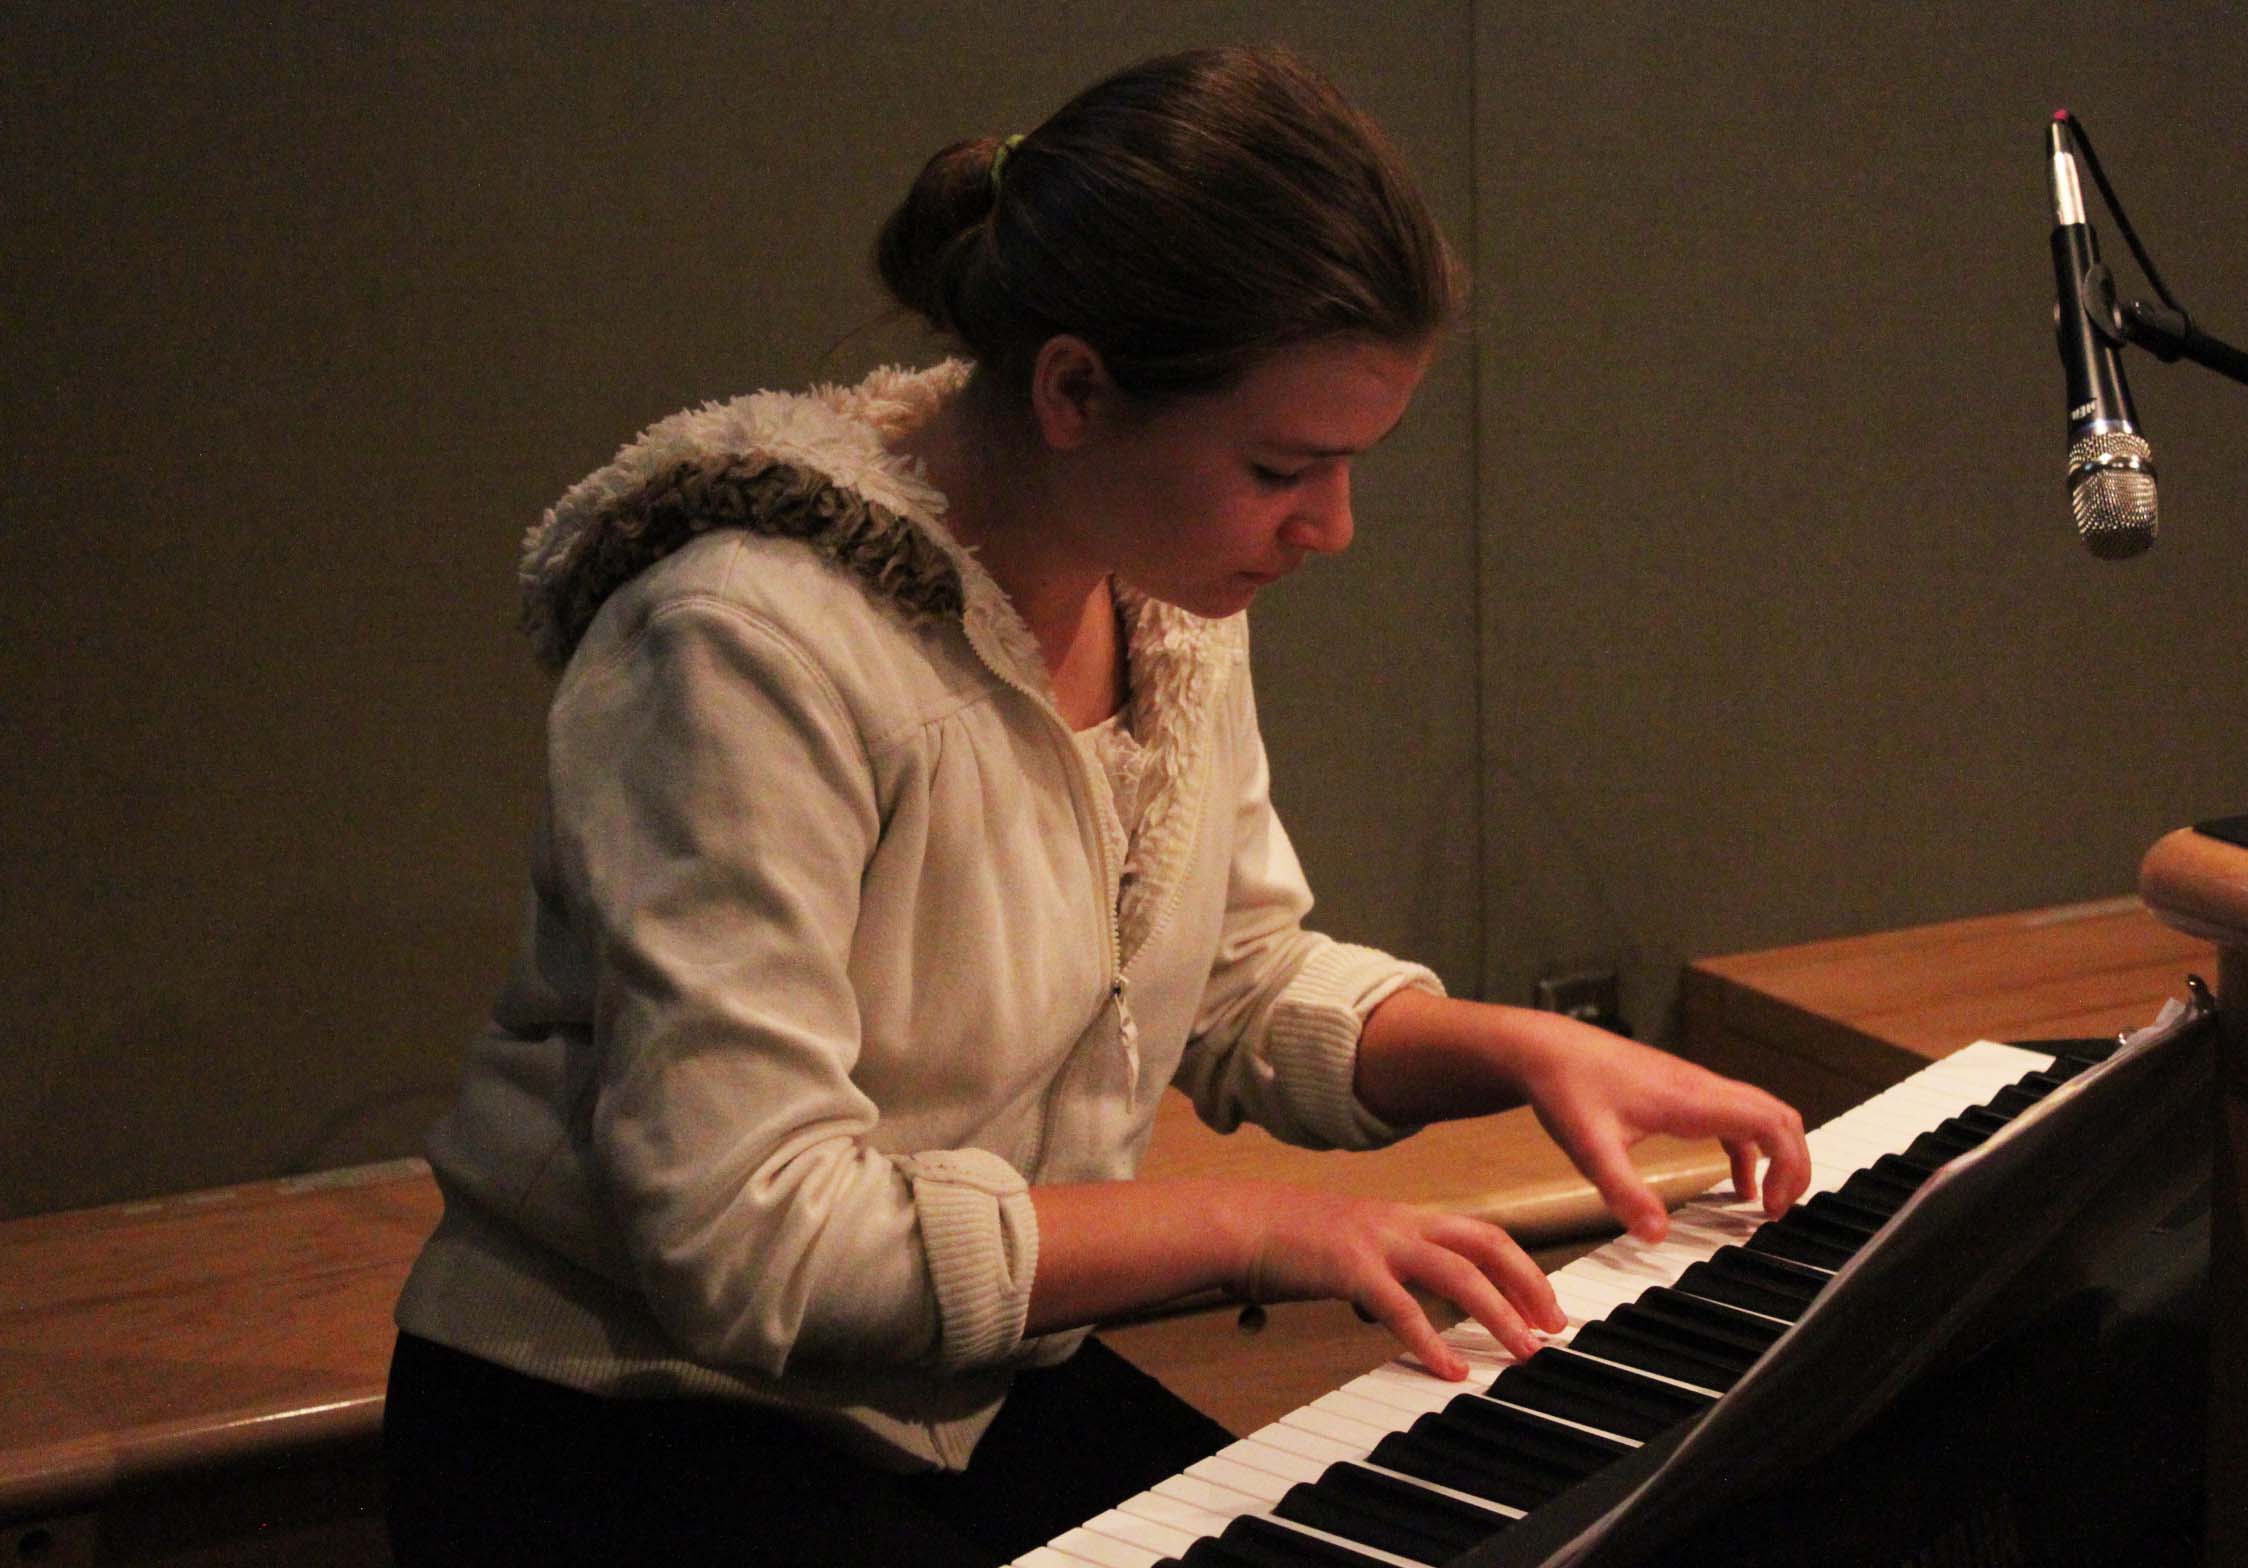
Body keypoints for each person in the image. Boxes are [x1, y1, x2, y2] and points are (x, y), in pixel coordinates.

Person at [383, 43, 1810, 1567]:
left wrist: (1522, 1051)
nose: (1330, 529)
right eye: (1283, 467)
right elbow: (752, 1237)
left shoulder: (1166, 589)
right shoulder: (746, 642)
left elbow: (1239, 982)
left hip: (965, 1395)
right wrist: (1249, 1228)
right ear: (1075, 387)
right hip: (632, 1427)